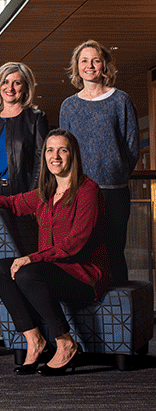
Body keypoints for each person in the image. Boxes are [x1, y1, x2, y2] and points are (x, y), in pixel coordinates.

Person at [0, 129, 110, 376]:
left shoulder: (88, 190)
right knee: (0, 268)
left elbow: (77, 242)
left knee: (27, 273)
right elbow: (13, 202)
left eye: (62, 150)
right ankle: (35, 340)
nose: (55, 156)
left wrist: (31, 258)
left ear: (73, 155)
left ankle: (66, 343)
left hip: (84, 274)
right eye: (50, 150)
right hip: (52, 270)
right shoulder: (46, 192)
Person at [60, 40, 139, 285]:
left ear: (104, 65)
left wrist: (117, 172)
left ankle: (119, 317)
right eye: (84, 60)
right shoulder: (69, 105)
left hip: (114, 192)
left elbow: (132, 145)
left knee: (114, 252)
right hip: (80, 192)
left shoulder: (120, 100)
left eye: (95, 60)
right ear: (77, 66)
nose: (90, 65)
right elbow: (63, 151)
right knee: (81, 253)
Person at [0, 62, 49, 204]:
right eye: (5, 82)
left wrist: (30, 200)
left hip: (23, 194)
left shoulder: (36, 118)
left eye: (16, 83)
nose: (10, 88)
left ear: (25, 87)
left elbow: (41, 163)